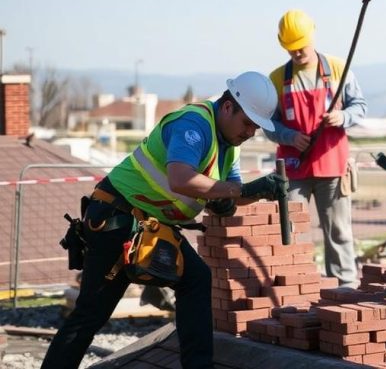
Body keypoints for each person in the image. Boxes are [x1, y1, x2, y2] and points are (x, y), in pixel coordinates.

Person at [42, 72, 288, 369]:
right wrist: (238, 190)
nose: (250, 132)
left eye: (256, 128)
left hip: (149, 227)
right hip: (117, 219)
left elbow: (234, 192)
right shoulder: (193, 123)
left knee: (196, 279)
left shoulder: (230, 146)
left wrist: (260, 191)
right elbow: (180, 178)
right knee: (91, 314)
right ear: (227, 107)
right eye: (247, 123)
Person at [265, 9, 367, 288]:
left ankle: (345, 284)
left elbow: (360, 106)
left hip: (332, 165)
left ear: (312, 36)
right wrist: (288, 136)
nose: (297, 54)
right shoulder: (276, 79)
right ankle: (293, 284)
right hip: (294, 167)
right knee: (290, 230)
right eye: (291, 49)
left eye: (301, 47)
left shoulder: (337, 68)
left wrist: (342, 117)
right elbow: (268, 124)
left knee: (338, 230)